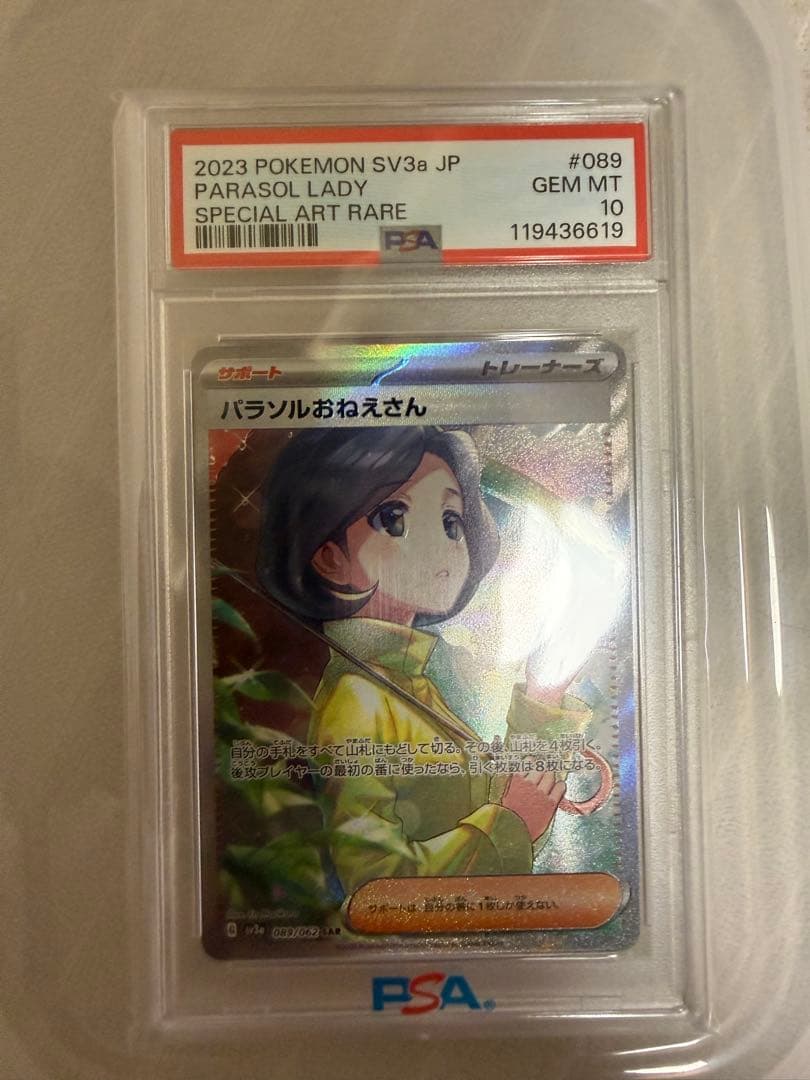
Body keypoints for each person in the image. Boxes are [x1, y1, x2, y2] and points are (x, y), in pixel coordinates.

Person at [256, 425, 592, 899]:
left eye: (451, 522)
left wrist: (543, 700)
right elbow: (374, 885)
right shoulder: (360, 699)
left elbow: (508, 813)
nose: (442, 545)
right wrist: (509, 822)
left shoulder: (411, 684)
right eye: (394, 518)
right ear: (331, 559)